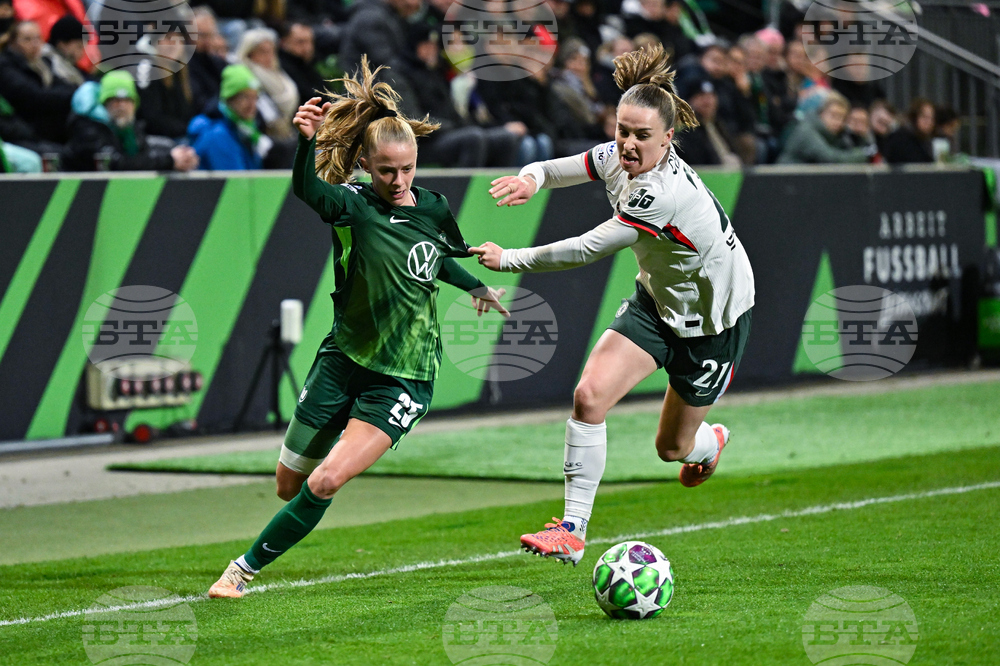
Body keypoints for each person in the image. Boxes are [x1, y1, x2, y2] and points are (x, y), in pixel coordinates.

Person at [207, 57, 510, 598]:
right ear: (366, 163)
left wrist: (476, 285)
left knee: (324, 480)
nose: (399, 181)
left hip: (403, 374)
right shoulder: (350, 205)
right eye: (387, 170)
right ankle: (311, 484)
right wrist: (306, 143)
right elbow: (307, 190)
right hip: (342, 360)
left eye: (408, 169)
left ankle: (241, 571)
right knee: (288, 486)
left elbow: (437, 255)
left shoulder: (434, 207)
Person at [470, 43, 754, 566]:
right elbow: (556, 168)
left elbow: (586, 248)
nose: (627, 143)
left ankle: (710, 443)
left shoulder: (660, 192)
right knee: (589, 396)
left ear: (668, 139)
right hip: (657, 304)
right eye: (623, 129)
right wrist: (529, 179)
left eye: (642, 135)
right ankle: (573, 530)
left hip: (714, 322)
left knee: (671, 450)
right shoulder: (617, 157)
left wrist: (507, 257)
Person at [63, 70, 199, 171]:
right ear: (104, 104)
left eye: (127, 100)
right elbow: (115, 164)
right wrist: (170, 161)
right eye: (115, 100)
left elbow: (143, 156)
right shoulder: (88, 128)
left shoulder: (130, 128)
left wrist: (181, 157)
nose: (122, 106)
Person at [0, 19, 77, 144]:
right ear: (13, 43)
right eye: (27, 39)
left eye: (38, 38)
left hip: (51, 127)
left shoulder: (44, 63)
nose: (35, 44)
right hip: (26, 129)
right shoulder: (5, 66)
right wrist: (75, 94)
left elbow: (63, 86)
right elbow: (35, 97)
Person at [188, 64, 271, 170]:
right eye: (245, 97)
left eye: (255, 98)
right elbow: (236, 183)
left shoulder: (247, 132)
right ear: (230, 99)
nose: (252, 105)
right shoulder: (218, 135)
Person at [777, 93, 872, 164]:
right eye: (833, 115)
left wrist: (859, 137)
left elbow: (851, 150)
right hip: (787, 178)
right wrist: (863, 154)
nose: (838, 122)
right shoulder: (807, 130)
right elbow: (829, 158)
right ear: (821, 113)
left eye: (842, 118)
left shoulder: (838, 134)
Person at [884, 97, 935, 164]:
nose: (929, 122)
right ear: (914, 117)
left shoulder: (925, 140)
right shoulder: (900, 139)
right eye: (924, 117)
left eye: (931, 118)